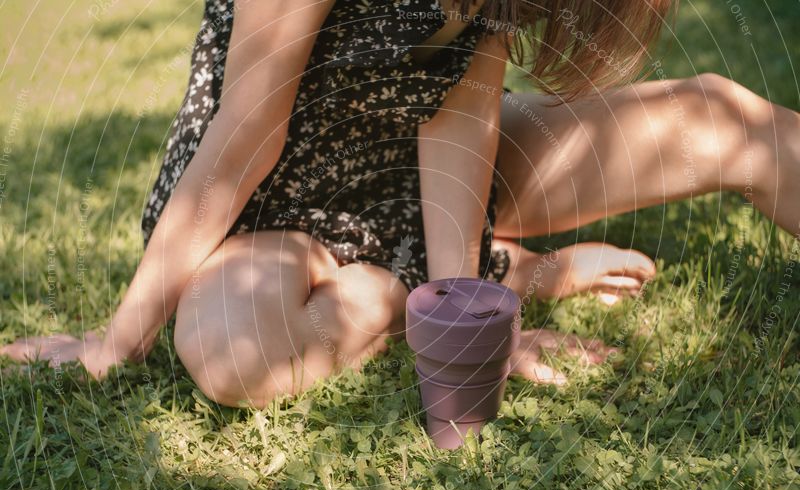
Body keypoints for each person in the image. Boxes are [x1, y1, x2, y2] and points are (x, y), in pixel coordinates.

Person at [4, 0, 797, 407]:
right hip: (280, 204)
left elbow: (458, 119)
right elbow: (245, 138)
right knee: (233, 355)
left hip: (421, 173)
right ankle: (450, 279)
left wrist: (473, 319)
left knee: (721, 124)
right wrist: (114, 344)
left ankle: (478, 273)